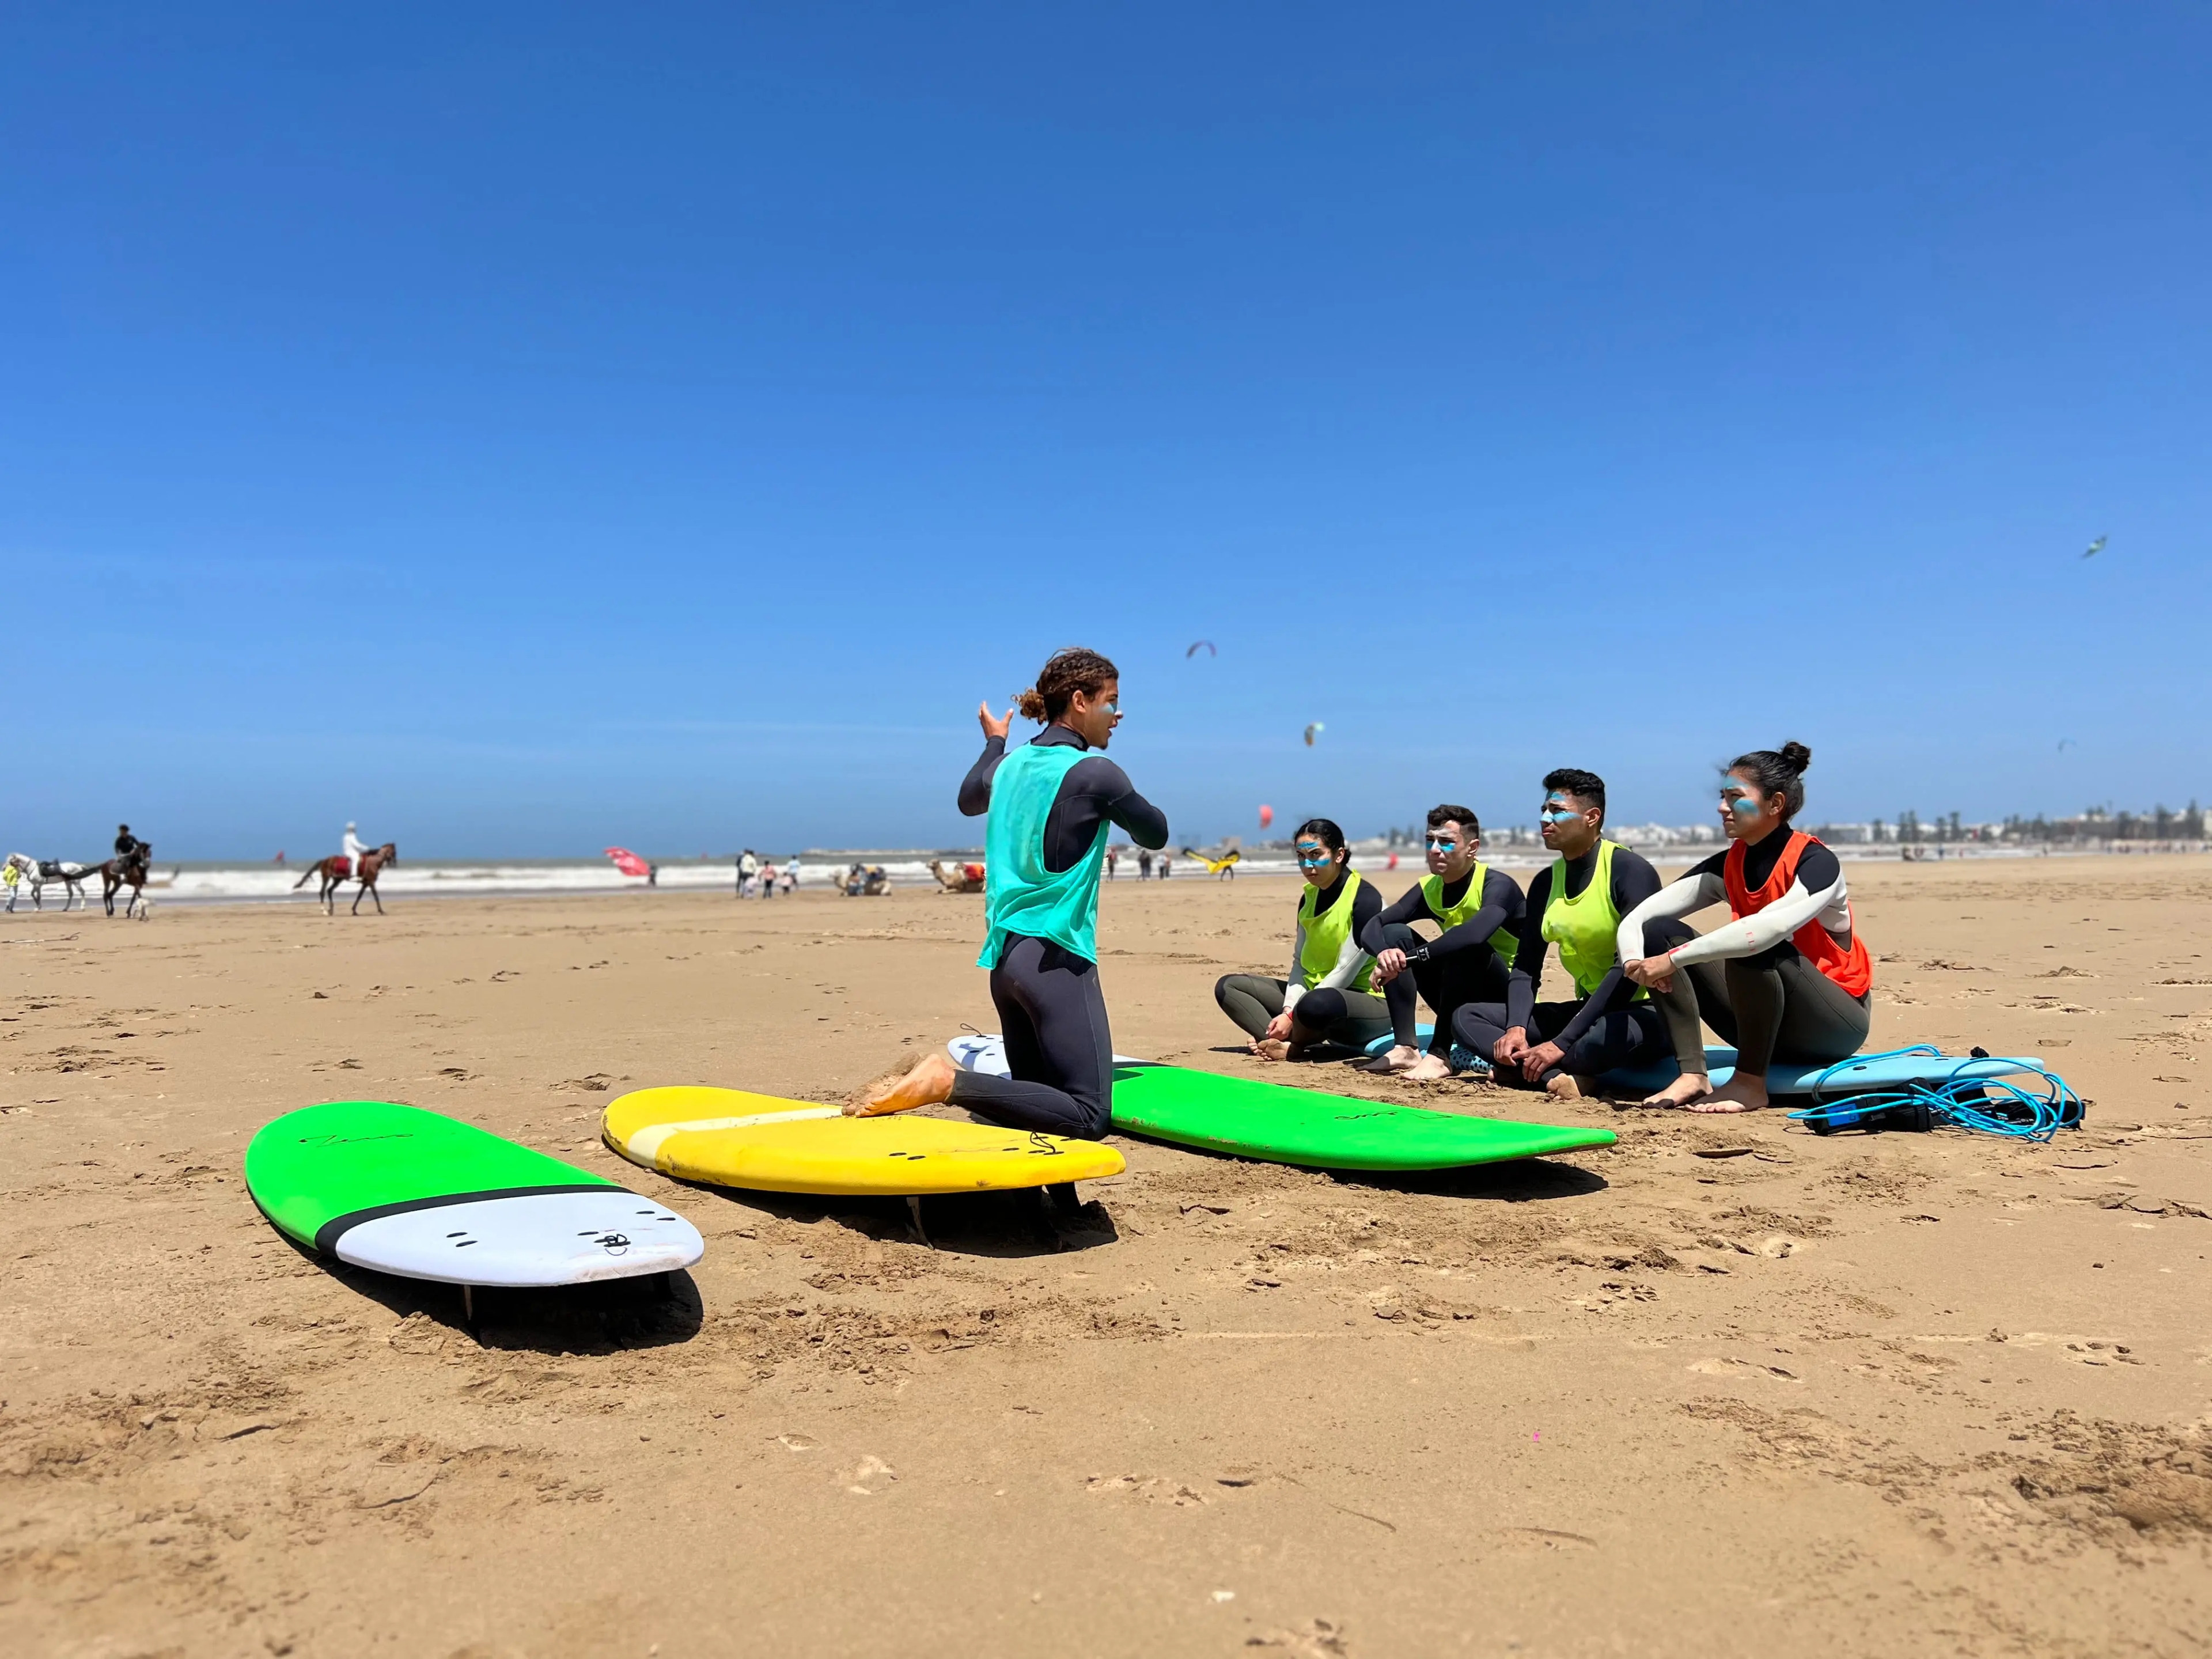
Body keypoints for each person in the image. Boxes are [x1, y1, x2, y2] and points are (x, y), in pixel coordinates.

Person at [847, 647, 1168, 1137]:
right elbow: (1155, 834)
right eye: (1112, 702)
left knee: (1034, 1111)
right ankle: (949, 1082)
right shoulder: (1096, 773)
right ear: (1080, 701)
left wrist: (996, 742)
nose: (1118, 716)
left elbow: (968, 798)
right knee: (1088, 1112)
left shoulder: (1008, 768)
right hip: (1056, 958)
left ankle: (1054, 1210)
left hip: (1006, 961)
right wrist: (1114, 798)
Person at [1618, 742, 1873, 1113]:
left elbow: (1765, 931)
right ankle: (1692, 1073)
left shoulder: (1817, 863)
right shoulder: (1727, 865)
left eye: (1735, 797)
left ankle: (1750, 1084)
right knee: (1660, 932)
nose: (1722, 807)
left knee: (1750, 943)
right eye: (1722, 797)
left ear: (1776, 804)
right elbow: (1638, 919)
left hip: (1834, 1026)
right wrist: (1633, 964)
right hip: (1761, 1025)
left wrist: (1673, 961)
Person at [1451, 770, 1673, 1099]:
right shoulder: (1545, 882)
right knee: (1468, 1016)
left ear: (1591, 817)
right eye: (1544, 810)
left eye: (1556, 810)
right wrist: (1516, 1028)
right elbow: (1526, 967)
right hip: (1587, 1010)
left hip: (1647, 1013)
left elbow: (1626, 971)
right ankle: (1557, 1078)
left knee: (1594, 1042)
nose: (1544, 819)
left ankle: (1532, 1069)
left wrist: (1560, 1043)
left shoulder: (1630, 871)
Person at [1355, 805, 1524, 1081]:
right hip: (1458, 992)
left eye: (1446, 842)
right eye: (1430, 841)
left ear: (1473, 848)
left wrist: (1406, 960)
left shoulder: (1498, 886)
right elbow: (1374, 926)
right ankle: (1406, 1048)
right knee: (1396, 934)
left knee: (1466, 946)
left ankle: (1440, 1055)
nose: (1435, 849)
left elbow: (1472, 936)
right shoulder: (1429, 888)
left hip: (1510, 1005)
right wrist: (1385, 955)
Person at [1214, 818, 1389, 1060]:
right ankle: (1275, 1040)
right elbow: (1300, 962)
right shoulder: (1308, 899)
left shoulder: (1366, 900)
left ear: (1339, 855)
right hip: (1312, 1000)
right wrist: (1288, 1009)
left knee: (1315, 1003)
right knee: (1229, 986)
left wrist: (1291, 1017)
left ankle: (1293, 1044)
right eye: (1301, 856)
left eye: (1316, 855)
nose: (1308, 865)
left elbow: (1345, 970)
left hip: (1366, 1005)